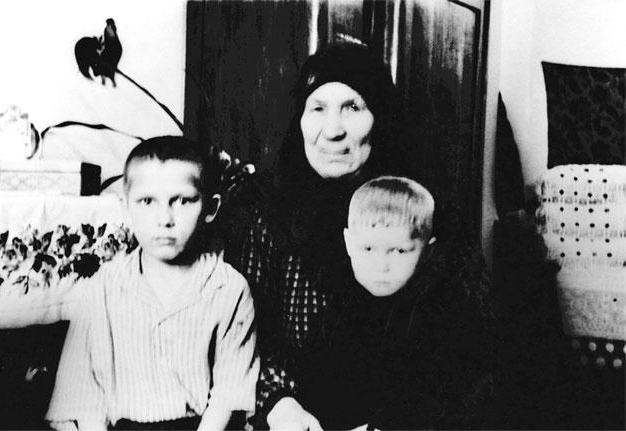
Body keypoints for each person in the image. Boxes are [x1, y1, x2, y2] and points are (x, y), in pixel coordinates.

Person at [223, 42, 495, 430]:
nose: (333, 130)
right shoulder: (259, 209)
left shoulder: (432, 213)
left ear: (380, 117)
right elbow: (240, 332)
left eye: (352, 107)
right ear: (299, 118)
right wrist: (278, 401)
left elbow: (471, 355)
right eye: (318, 108)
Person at [45, 136, 259, 431]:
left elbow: (229, 394)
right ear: (126, 207)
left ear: (210, 208)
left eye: (182, 201)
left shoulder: (229, 289)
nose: (164, 219)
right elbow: (81, 395)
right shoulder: (103, 287)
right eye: (147, 201)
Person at [296, 176, 494, 429]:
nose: (381, 266)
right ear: (348, 243)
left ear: (428, 250)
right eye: (368, 249)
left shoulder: (440, 316)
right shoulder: (337, 309)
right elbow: (313, 382)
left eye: (399, 251)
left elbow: (453, 400)